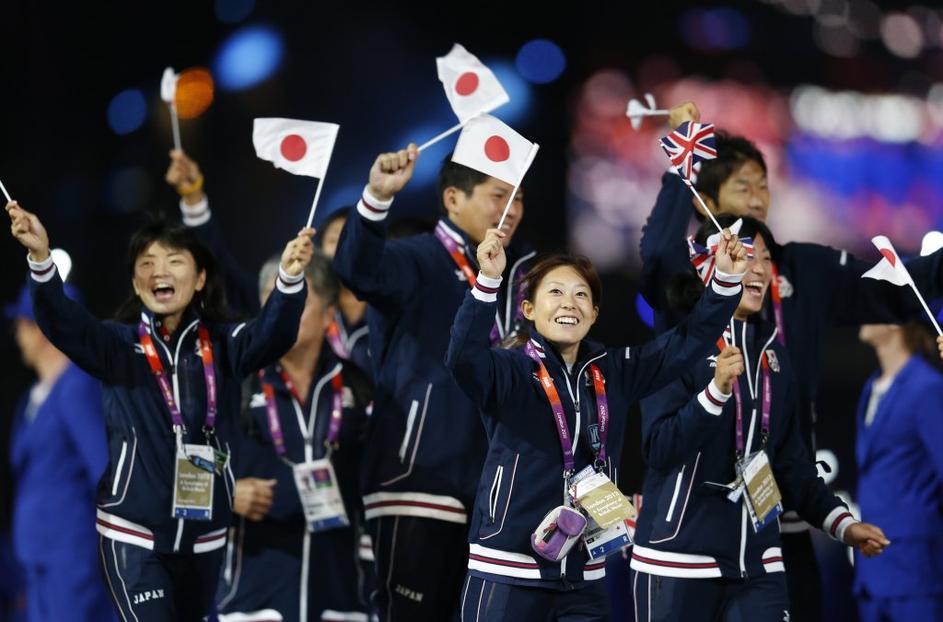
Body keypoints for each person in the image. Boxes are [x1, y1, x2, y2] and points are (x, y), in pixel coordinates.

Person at [638, 101, 943, 620]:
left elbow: (895, 289)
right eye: (742, 187)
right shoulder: (684, 287)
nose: (758, 198)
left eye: (764, 185)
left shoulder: (802, 269)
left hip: (782, 511)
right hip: (693, 524)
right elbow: (656, 257)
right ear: (707, 202)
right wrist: (681, 163)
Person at [6, 200, 312, 621]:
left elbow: (272, 334)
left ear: (200, 278)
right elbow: (64, 322)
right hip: (134, 535)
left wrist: (289, 281)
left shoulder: (224, 345)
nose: (159, 272)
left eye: (174, 261)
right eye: (147, 263)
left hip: (203, 538)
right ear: (136, 284)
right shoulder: (117, 347)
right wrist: (41, 259)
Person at [445, 223, 746, 620]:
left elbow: (685, 343)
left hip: (585, 579)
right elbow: (462, 358)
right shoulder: (508, 370)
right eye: (556, 292)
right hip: (507, 570)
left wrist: (725, 281)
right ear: (528, 309)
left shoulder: (616, 371)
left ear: (594, 314)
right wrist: (487, 281)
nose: (569, 303)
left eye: (581, 295)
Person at [632, 216, 888, 621]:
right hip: (678, 559)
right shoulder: (673, 349)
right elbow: (659, 449)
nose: (759, 268)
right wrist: (714, 393)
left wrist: (841, 523)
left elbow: (791, 462)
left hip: (758, 561)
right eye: (747, 254)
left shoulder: (775, 356)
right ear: (708, 265)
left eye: (767, 259)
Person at [331, 144, 535, 620]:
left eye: (520, 198)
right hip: (417, 482)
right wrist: (376, 199)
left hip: (493, 495)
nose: (511, 209)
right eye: (499, 195)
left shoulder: (519, 276)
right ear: (452, 199)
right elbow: (358, 270)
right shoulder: (417, 257)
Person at [216, 252, 372, 622]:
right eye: (273, 300)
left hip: (341, 599)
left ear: (329, 314)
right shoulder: (234, 382)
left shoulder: (358, 387)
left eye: (296, 300)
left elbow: (374, 483)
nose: (281, 312)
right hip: (252, 600)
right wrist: (226, 490)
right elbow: (196, 457)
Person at [166, 150, 372, 375]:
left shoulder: (390, 306)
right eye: (334, 239)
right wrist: (194, 200)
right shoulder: (287, 300)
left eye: (353, 238)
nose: (345, 247)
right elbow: (223, 273)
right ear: (318, 249)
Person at [5, 280, 114, 621]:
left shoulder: (77, 387)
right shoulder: (34, 395)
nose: (17, 334)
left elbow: (103, 470)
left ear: (45, 327)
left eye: (24, 324)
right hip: (38, 555)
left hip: (71, 557)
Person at [855, 322, 943, 622]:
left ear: (894, 322)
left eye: (872, 306)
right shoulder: (871, 386)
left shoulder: (927, 387)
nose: (862, 314)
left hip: (916, 570)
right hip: (871, 570)